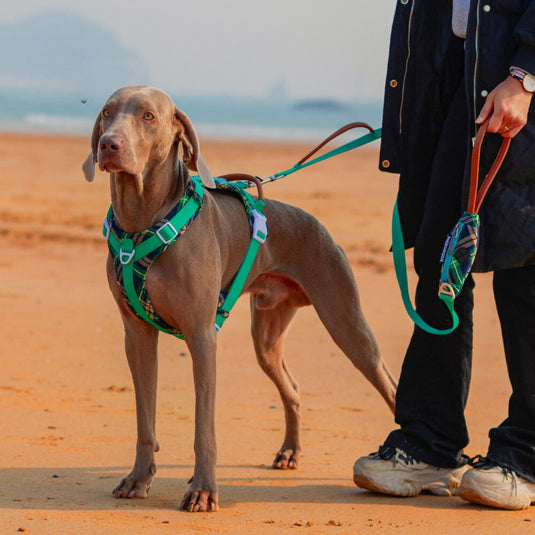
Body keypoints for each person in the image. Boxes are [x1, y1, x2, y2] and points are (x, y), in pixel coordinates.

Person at [353, 0, 535, 510]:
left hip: (516, 74)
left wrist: (526, 74)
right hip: (457, 63)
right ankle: (430, 439)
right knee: (439, 255)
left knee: (526, 263)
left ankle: (527, 451)